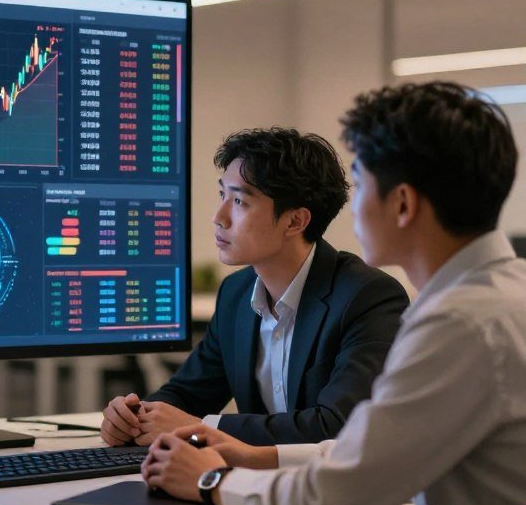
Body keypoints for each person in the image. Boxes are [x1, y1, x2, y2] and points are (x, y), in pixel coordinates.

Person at [142, 82, 526, 505]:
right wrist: (256, 456)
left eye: (361, 183)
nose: (350, 203)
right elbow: (375, 453)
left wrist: (211, 481)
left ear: (402, 203)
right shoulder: (500, 297)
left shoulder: (460, 324)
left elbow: (328, 504)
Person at [102, 128, 408, 446]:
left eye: (239, 201)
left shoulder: (367, 297)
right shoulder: (236, 293)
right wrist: (133, 417)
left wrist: (202, 428)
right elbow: (187, 394)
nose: (219, 217)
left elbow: (337, 426)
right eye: (223, 195)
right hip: (253, 484)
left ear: (295, 221)